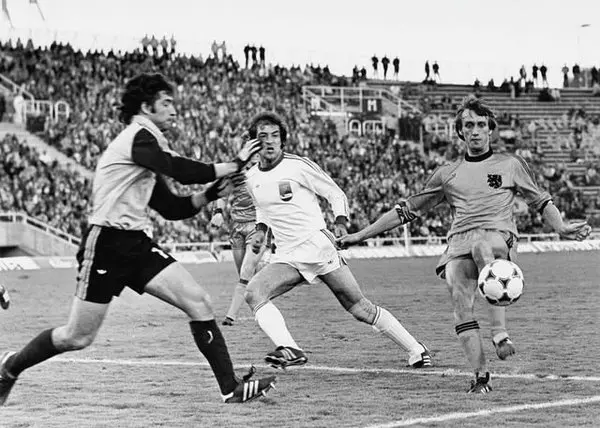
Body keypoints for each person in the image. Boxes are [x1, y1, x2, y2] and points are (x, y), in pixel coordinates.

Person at [0, 73, 276, 406]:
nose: (174, 109)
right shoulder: (137, 138)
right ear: (146, 107)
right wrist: (235, 163)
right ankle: (10, 366)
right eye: (166, 102)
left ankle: (230, 388)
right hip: (105, 244)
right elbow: (178, 169)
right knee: (77, 336)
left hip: (136, 244)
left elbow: (170, 207)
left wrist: (210, 195)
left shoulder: (147, 151)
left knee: (198, 301)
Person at [338, 95, 592, 394]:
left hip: (499, 237)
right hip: (458, 242)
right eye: (468, 125)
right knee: (461, 305)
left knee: (482, 245)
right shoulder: (447, 174)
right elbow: (406, 210)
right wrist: (360, 235)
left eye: (481, 125)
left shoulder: (510, 164)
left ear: (490, 129)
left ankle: (499, 332)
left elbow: (541, 200)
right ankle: (481, 377)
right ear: (460, 131)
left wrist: (561, 226)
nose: (475, 130)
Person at [243, 112, 432, 372]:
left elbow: (335, 193)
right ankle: (291, 349)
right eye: (263, 136)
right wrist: (260, 231)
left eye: (275, 135)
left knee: (360, 308)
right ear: (253, 142)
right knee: (253, 292)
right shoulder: (251, 177)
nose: (270, 141)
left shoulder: (298, 166)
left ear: (283, 140)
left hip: (317, 247)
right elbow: (262, 209)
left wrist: (341, 221)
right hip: (287, 256)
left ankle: (416, 349)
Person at [210, 150, 269, 326]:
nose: (256, 156)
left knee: (245, 273)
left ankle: (230, 316)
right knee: (246, 275)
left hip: (256, 228)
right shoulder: (236, 173)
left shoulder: (268, 174)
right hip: (236, 228)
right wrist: (218, 212)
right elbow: (222, 195)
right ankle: (266, 296)